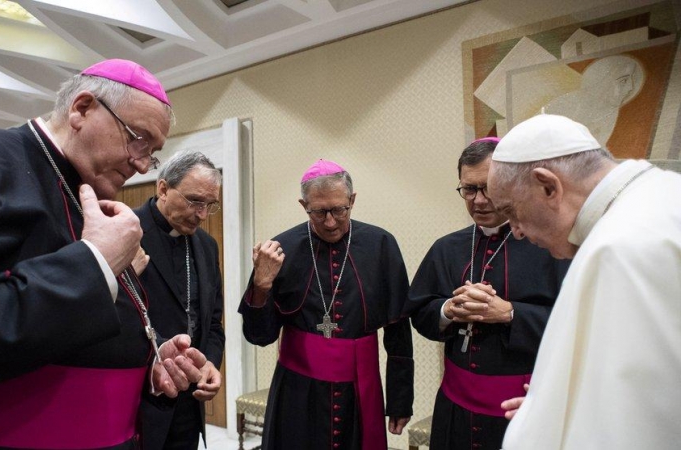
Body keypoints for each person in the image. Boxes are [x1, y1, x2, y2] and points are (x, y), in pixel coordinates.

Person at [0, 59, 209, 450]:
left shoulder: (89, 198)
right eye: (138, 138)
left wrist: (150, 364)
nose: (141, 165)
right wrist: (94, 264)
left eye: (152, 153)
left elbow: (64, 343)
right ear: (82, 109)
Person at [486, 114, 681, 449]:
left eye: (512, 212)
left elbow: (637, 427)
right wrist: (560, 407)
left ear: (548, 186)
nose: (515, 231)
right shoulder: (663, 196)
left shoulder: (620, 247)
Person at [238, 159, 413, 450]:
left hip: (361, 390)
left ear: (352, 200)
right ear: (303, 204)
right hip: (297, 392)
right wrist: (261, 285)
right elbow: (259, 337)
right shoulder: (281, 249)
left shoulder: (381, 244)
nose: (330, 221)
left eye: (339, 210)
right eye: (319, 212)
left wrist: (399, 400)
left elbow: (398, 328)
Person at [408, 138, 569, 450]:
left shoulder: (550, 246)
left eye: (487, 188)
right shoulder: (446, 248)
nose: (478, 200)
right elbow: (419, 311)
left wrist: (509, 313)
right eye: (469, 189)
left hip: (522, 409)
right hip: (456, 407)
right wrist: (448, 311)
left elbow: (575, 325)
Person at [133, 150, 225, 450]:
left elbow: (212, 320)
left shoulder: (206, 245)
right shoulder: (126, 231)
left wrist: (210, 362)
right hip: (137, 399)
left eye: (209, 205)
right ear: (163, 188)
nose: (201, 214)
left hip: (188, 402)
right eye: (195, 201)